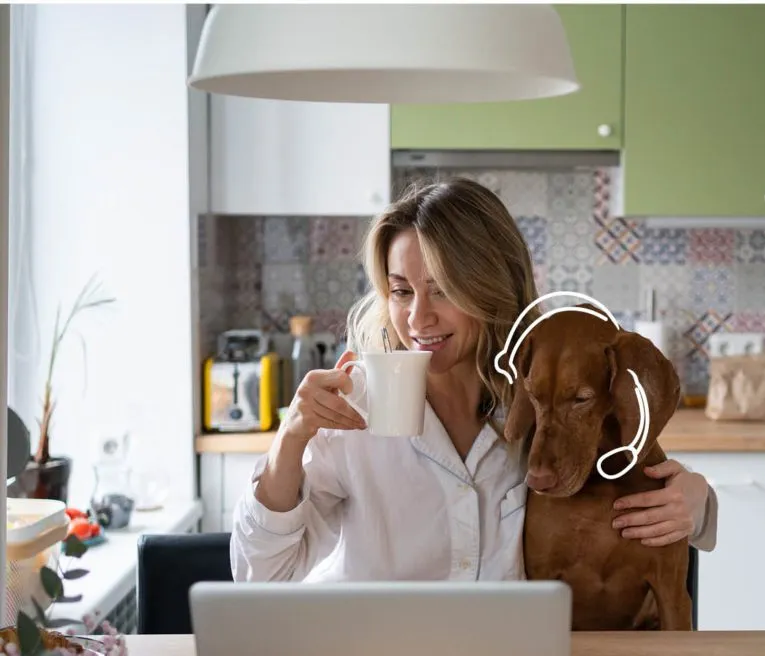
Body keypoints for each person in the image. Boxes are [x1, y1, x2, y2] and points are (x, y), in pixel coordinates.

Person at [231, 177, 717, 585]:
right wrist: (290, 439)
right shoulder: (353, 403)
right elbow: (262, 573)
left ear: (492, 288)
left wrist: (698, 502)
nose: (418, 318)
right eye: (401, 291)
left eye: (442, 290)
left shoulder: (543, 400)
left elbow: (636, 489)